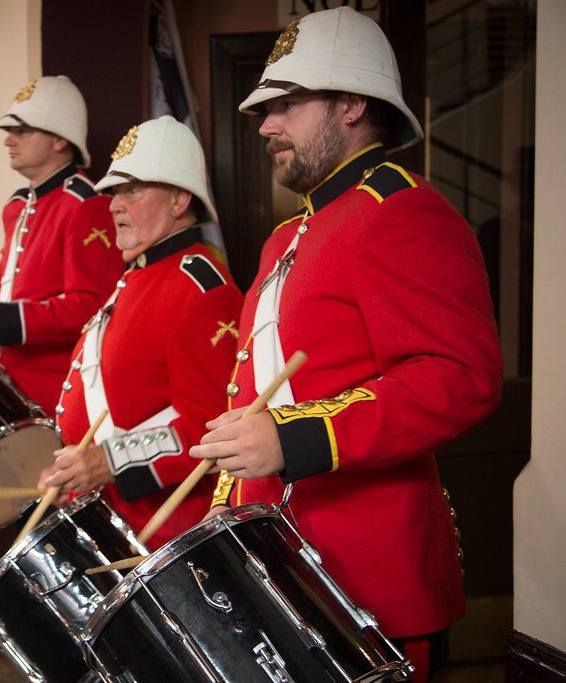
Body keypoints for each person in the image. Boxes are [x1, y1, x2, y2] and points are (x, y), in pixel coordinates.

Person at [188, 8, 502, 679]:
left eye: (288, 105)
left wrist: (297, 437)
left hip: (370, 582)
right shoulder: (287, 236)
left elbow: (459, 377)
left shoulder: (402, 210)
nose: (266, 125)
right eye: (267, 109)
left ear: (353, 104)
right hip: (284, 566)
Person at [36, 116, 243, 550]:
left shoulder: (201, 288)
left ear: (179, 200)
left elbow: (213, 427)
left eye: (132, 190)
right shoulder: (137, 274)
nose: (113, 205)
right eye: (114, 192)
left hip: (163, 536)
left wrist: (111, 460)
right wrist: (74, 469)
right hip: (112, 518)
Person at [0, 75, 124, 416]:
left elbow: (93, 307)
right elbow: (6, 287)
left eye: (22, 131)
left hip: (54, 392)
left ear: (60, 139)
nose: (8, 141)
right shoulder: (17, 205)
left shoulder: (86, 204)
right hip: (6, 383)